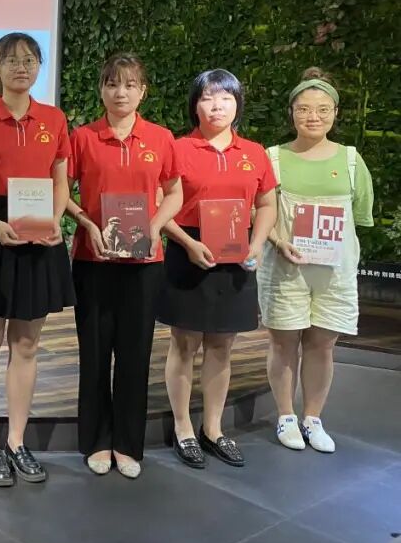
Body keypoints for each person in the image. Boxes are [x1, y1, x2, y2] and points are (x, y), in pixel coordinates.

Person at [0, 33, 72, 487]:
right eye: (11, 60)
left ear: (39, 66)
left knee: (26, 345)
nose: (21, 67)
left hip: (38, 230)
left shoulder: (53, 118)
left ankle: (17, 440)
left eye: (29, 60)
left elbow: (60, 179)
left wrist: (54, 220)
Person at [65, 52, 183, 479]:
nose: (121, 92)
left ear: (142, 91)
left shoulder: (161, 138)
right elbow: (62, 191)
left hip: (144, 262)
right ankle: (97, 440)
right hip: (93, 259)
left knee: (136, 353)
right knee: (95, 353)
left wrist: (153, 226)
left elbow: (175, 193)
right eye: (113, 84)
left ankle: (128, 443)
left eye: (130, 85)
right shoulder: (83, 138)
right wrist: (86, 223)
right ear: (101, 89)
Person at [158, 69, 277, 470]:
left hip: (236, 253)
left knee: (222, 345)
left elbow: (267, 204)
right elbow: (160, 203)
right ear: (195, 105)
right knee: (184, 343)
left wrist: (257, 245)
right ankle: (182, 428)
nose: (216, 106)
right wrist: (187, 244)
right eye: (207, 98)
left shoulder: (254, 153)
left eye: (225, 98)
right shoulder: (177, 148)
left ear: (237, 104)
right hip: (188, 249)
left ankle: (213, 428)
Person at [258, 67, 375, 453]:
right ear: (291, 112)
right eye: (305, 109)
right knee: (283, 342)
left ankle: (313, 417)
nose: (313, 117)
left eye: (323, 109)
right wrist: (278, 241)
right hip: (284, 266)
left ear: (335, 113)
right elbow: (260, 213)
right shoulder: (272, 158)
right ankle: (285, 416)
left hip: (333, 271)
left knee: (323, 343)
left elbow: (359, 219)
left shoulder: (352, 161)